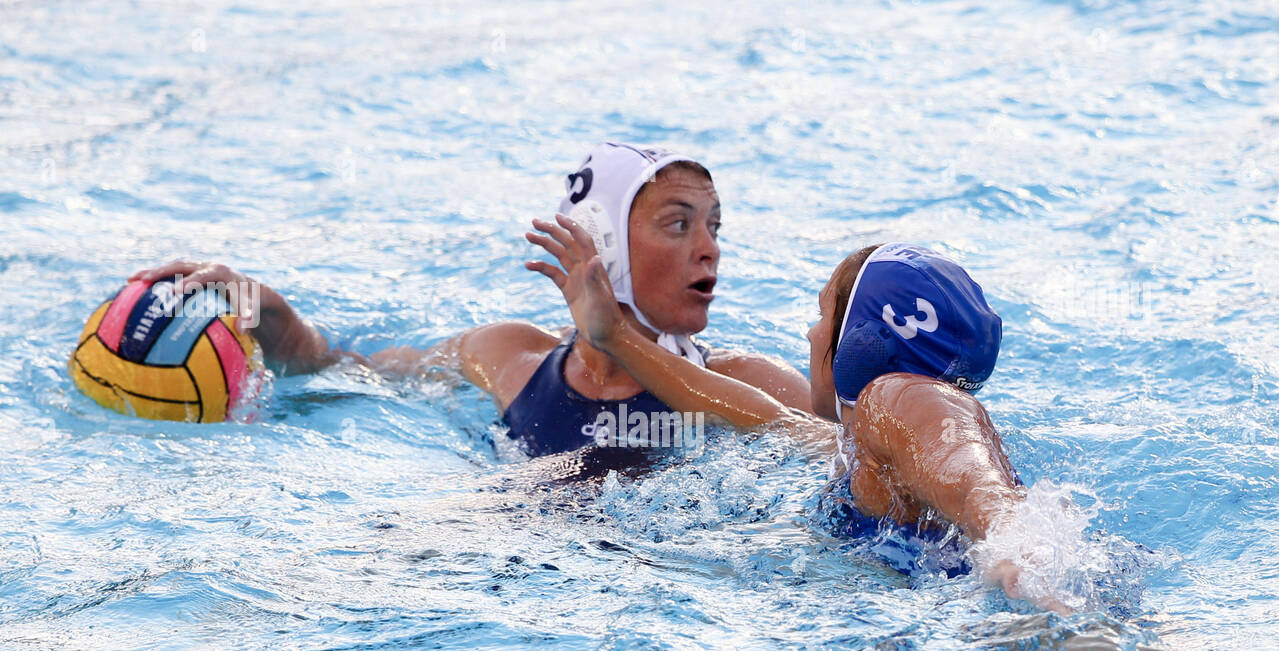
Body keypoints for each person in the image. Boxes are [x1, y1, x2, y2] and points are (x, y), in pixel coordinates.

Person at [528, 214, 1071, 611]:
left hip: (1022, 614)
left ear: (862, 339)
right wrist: (615, 336)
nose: (812, 333)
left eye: (823, 314)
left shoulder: (896, 399)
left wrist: (1012, 537)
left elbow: (968, 465)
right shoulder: (862, 443)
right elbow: (755, 411)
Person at [128, 142, 812, 456]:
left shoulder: (750, 385)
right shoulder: (507, 358)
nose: (710, 248)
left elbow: (825, 449)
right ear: (601, 243)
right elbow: (342, 371)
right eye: (679, 223)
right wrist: (272, 318)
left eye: (714, 227)